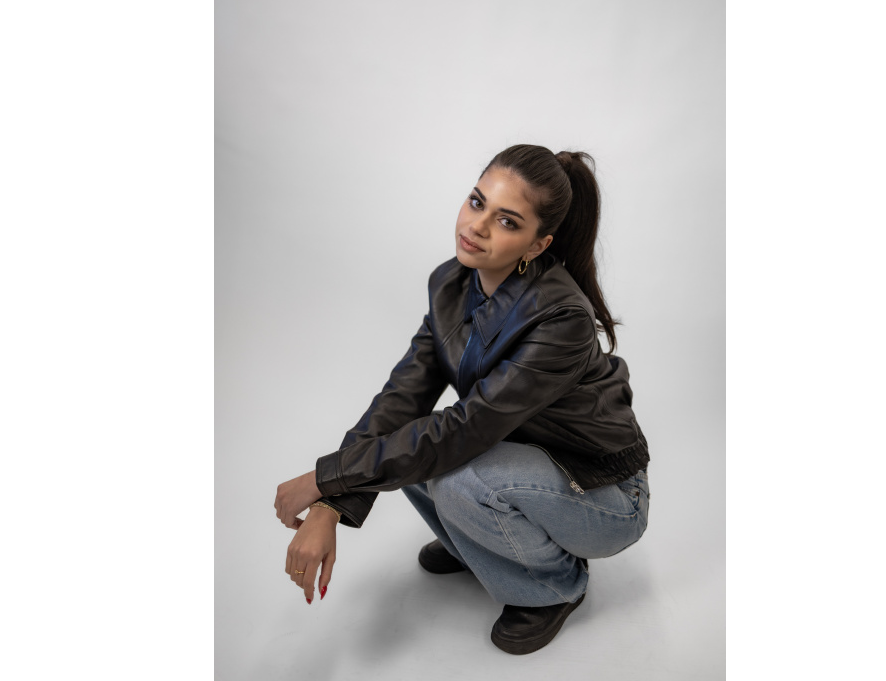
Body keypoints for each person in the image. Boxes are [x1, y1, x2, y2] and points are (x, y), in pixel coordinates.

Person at [274, 144, 651, 654]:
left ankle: (553, 586)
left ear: (537, 245)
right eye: (477, 202)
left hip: (604, 494)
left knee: (457, 474)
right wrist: (330, 503)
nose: (478, 226)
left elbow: (466, 430)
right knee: (411, 444)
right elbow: (399, 401)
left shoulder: (562, 319)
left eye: (507, 221)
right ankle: (482, 547)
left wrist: (323, 477)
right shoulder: (450, 284)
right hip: (526, 460)